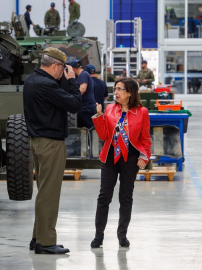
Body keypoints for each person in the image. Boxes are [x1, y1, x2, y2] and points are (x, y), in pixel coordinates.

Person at [24, 47, 81, 255]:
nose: (62, 73)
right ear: (56, 66)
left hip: (37, 142)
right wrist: (73, 81)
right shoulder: (47, 85)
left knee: (44, 192)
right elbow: (74, 104)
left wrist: (63, 80)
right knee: (50, 193)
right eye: (62, 69)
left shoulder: (32, 81)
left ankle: (37, 236)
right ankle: (45, 242)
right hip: (51, 144)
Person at [90, 77, 151, 249]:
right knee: (104, 197)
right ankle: (98, 236)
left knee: (126, 198)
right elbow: (103, 136)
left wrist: (144, 156)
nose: (115, 92)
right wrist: (99, 116)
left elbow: (145, 139)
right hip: (110, 157)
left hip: (130, 158)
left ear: (130, 93)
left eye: (119, 89)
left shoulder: (142, 112)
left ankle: (122, 235)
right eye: (115, 89)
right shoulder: (109, 109)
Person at [70, 60, 96, 128]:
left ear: (72, 68)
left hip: (86, 108)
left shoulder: (83, 74)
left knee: (87, 130)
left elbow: (82, 89)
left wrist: (73, 98)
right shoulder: (84, 74)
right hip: (87, 108)